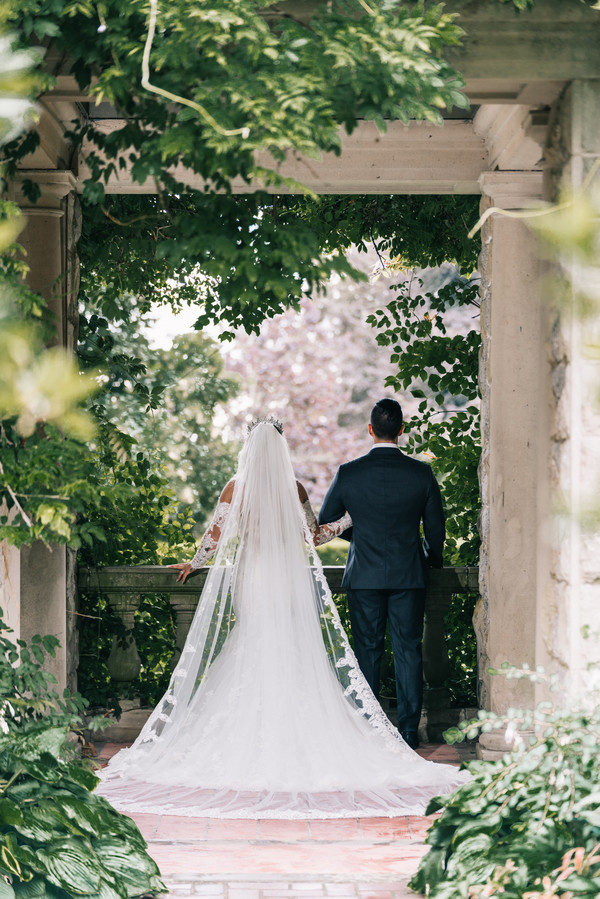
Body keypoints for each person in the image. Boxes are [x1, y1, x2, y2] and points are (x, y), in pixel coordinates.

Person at [96, 417, 468, 819]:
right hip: (287, 577)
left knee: (254, 638)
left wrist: (195, 562)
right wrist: (349, 519)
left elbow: (215, 537)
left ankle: (248, 735)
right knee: (288, 642)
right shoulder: (294, 489)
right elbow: (314, 535)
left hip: (253, 574)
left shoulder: (236, 487)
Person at [319, 398, 444, 750]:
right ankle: (407, 731)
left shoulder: (349, 472)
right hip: (409, 574)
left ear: (370, 430)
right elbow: (435, 529)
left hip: (364, 574)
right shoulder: (421, 473)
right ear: (402, 431)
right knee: (408, 650)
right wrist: (433, 559)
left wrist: (362, 537)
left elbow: (327, 521)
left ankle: (370, 730)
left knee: (367, 651)